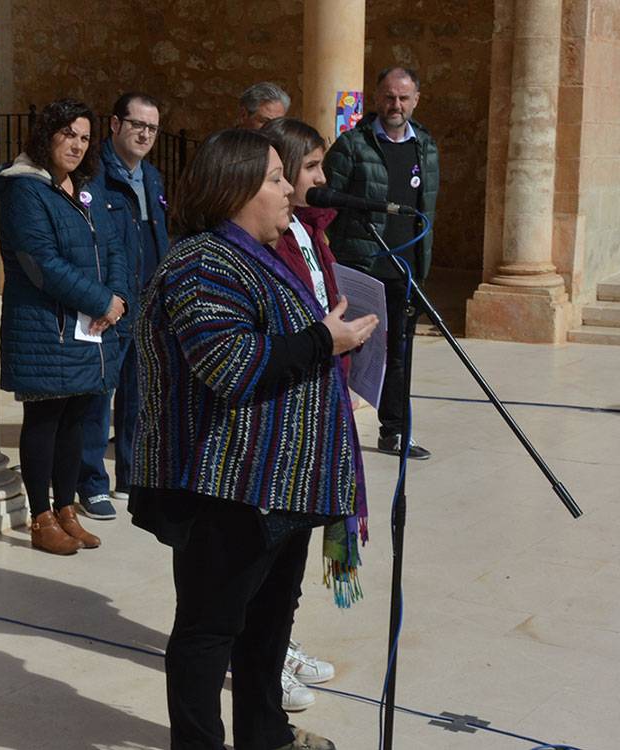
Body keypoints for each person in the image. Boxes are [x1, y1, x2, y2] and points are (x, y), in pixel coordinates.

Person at [131, 129, 377, 750]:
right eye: (274, 179)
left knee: (268, 625)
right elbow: (232, 365)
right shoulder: (202, 262)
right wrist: (326, 340)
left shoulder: (259, 255)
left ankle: (265, 737)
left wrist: (328, 334)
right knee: (209, 630)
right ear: (236, 188)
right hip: (227, 487)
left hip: (280, 484)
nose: (291, 190)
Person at [0, 98, 130, 555]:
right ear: (47, 134)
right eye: (68, 133)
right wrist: (100, 299)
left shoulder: (85, 186)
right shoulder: (24, 191)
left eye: (85, 137)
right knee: (45, 419)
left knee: (77, 417)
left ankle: (67, 508)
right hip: (45, 327)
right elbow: (41, 264)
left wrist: (118, 298)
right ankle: (40, 517)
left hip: (88, 328)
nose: (76, 144)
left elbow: (112, 248)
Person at [259, 116, 361, 714]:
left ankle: (281, 642)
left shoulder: (308, 230)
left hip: (320, 397)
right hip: (286, 406)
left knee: (292, 547)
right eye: (311, 168)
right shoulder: (271, 241)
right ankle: (264, 661)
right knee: (266, 553)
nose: (323, 179)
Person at [323, 66, 439, 460]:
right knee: (348, 350)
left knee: (400, 355)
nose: (396, 105)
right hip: (362, 268)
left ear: (416, 100)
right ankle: (331, 431)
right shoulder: (352, 145)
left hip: (405, 271)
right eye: (390, 96)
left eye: (404, 98)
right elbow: (328, 204)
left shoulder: (425, 146)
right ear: (377, 98)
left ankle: (394, 432)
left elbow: (426, 207)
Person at [75, 92, 169, 521]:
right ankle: (92, 484)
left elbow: (157, 238)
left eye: (152, 127)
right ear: (114, 125)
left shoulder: (151, 177)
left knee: (138, 397)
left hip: (148, 302)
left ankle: (131, 476)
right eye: (137, 125)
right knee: (99, 397)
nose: (145, 134)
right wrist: (103, 297)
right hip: (111, 304)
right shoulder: (93, 176)